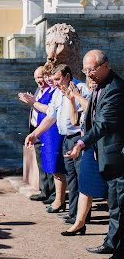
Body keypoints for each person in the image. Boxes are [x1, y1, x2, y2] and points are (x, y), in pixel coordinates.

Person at [64, 50, 124, 257]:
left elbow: (103, 124)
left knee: (119, 204)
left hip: (117, 155)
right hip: (105, 154)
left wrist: (81, 142)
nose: (88, 74)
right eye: (85, 70)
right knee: (115, 204)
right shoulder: (101, 85)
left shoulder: (115, 89)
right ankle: (112, 243)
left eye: (92, 69)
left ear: (105, 66)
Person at [25, 64, 91, 222]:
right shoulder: (57, 93)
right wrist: (35, 134)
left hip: (79, 138)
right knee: (71, 178)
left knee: (81, 178)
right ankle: (73, 212)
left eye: (57, 79)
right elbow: (51, 116)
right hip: (66, 138)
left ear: (68, 76)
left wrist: (75, 98)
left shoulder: (81, 88)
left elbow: (90, 111)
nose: (54, 83)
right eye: (53, 79)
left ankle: (83, 216)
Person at [60, 76, 108, 235]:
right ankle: (79, 224)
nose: (91, 80)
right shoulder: (89, 95)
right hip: (87, 145)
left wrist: (77, 96)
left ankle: (117, 227)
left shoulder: (106, 94)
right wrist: (72, 101)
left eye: (93, 76)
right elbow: (75, 121)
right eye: (87, 76)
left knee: (107, 191)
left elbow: (96, 113)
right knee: (85, 185)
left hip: (102, 146)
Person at [18, 66, 56, 203]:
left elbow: (48, 110)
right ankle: (44, 190)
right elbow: (36, 106)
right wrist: (30, 101)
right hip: (36, 129)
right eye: (36, 78)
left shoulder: (53, 90)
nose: (39, 80)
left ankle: (53, 194)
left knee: (50, 163)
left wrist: (33, 102)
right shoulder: (39, 90)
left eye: (41, 77)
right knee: (41, 162)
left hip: (48, 131)